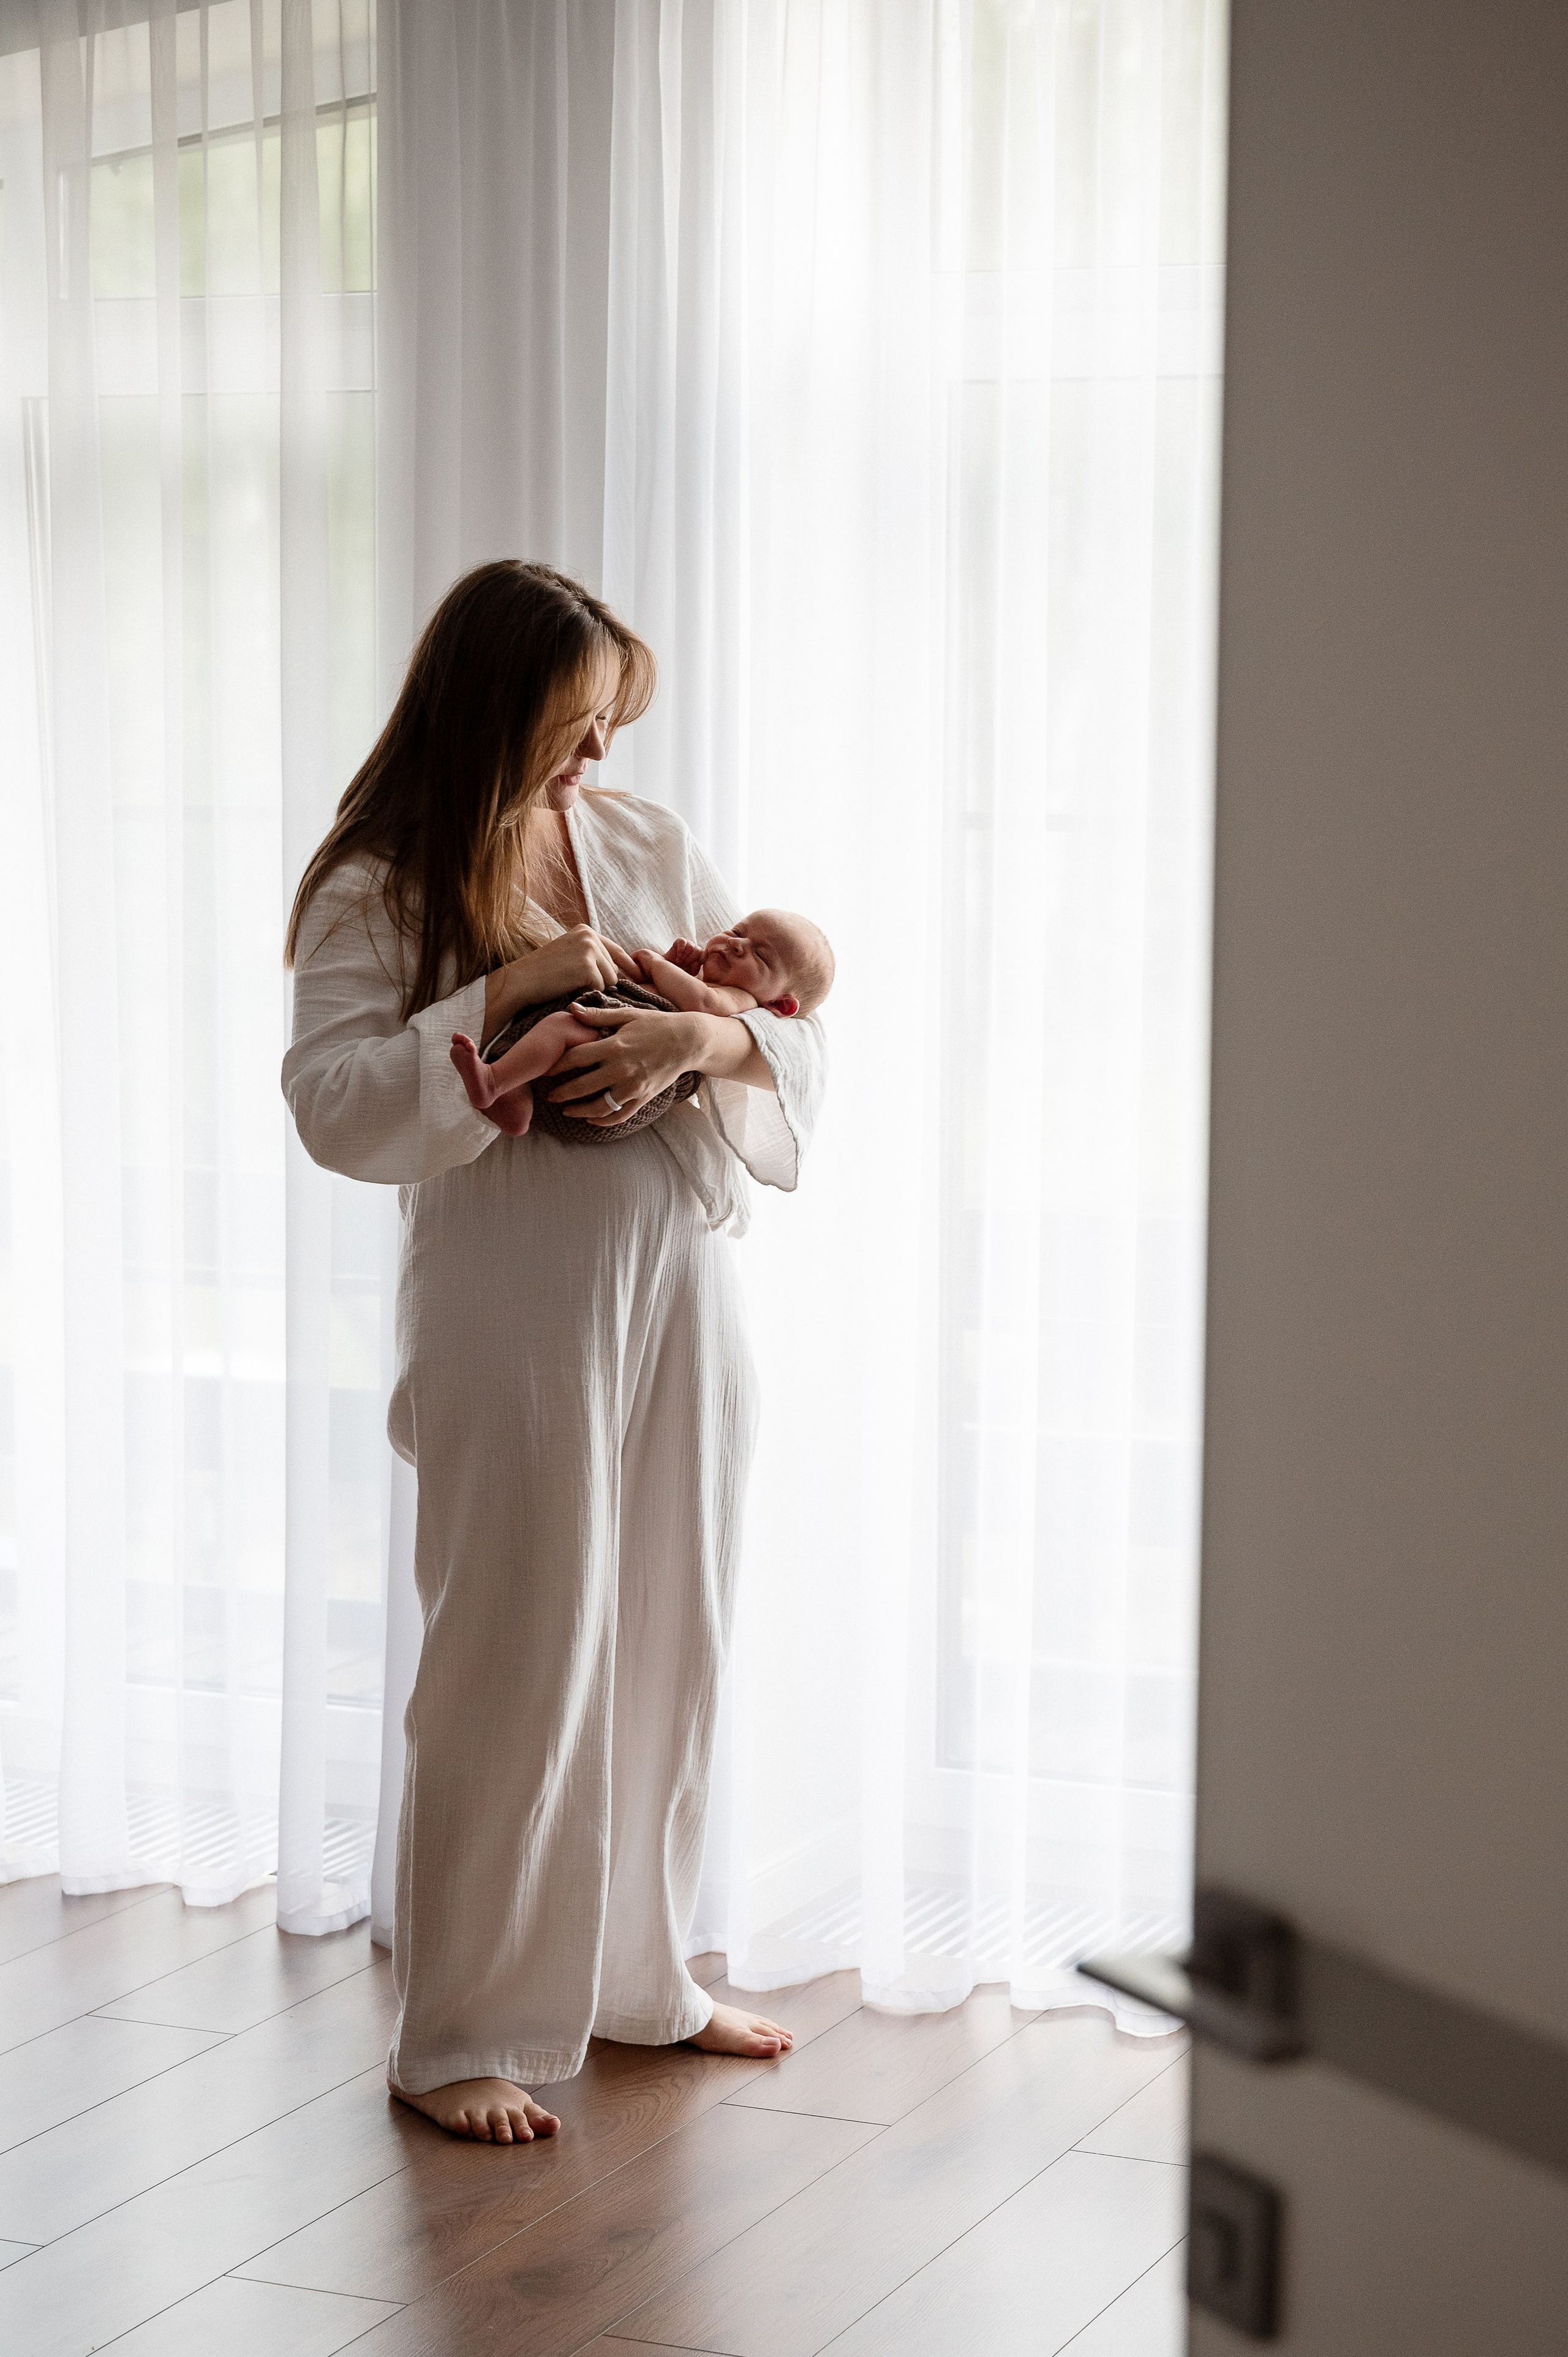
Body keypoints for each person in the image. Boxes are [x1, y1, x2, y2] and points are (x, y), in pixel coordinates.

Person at [282, 559, 826, 2144]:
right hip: (513, 1290)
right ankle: (462, 2029)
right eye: (571, 732)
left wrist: (697, 1039)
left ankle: (638, 1978)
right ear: (495, 715)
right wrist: (510, 988)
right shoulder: (378, 880)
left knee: (677, 1621)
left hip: (685, 1274)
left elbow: (785, 1017)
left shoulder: (644, 841)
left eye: (607, 729)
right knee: (515, 1642)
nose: (597, 763)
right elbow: (333, 1098)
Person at [448, 908, 835, 1135]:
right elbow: (643, 991)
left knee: (557, 1028)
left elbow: (700, 1002)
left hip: (620, 1085)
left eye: (761, 956)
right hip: (608, 1055)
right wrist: (671, 967)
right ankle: (516, 1102)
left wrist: (656, 961)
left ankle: (494, 1082)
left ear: (782, 1005)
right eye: (738, 933)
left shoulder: (743, 1001)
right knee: (538, 1035)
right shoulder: (707, 982)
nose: (737, 945)